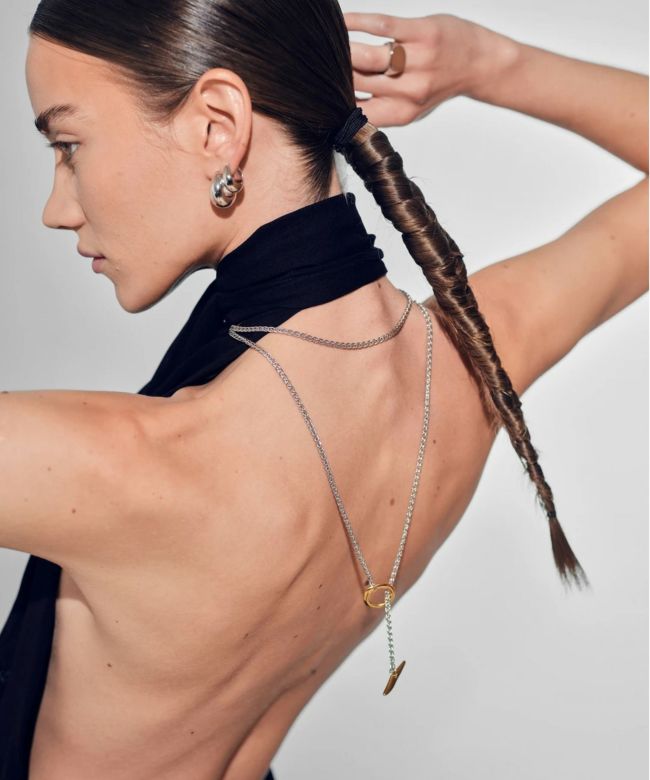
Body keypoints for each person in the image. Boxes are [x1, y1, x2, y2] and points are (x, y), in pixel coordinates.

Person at [0, 3, 646, 779]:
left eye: (68, 145)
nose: (56, 209)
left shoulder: (116, 466)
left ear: (217, 125)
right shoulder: (467, 370)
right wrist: (491, 65)